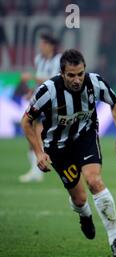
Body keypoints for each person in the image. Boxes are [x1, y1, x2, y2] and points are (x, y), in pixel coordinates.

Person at [20, 49, 116, 257]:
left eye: (80, 74)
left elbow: (115, 104)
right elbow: (26, 121)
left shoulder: (95, 82)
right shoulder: (48, 91)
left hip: (85, 138)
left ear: (84, 70)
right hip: (58, 148)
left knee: (95, 181)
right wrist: (39, 153)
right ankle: (84, 214)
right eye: (71, 75)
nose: (77, 79)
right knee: (79, 199)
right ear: (62, 73)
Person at [19, 33, 62, 183]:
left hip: (53, 102)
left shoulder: (59, 60)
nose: (40, 47)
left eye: (43, 44)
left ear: (51, 46)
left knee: (38, 134)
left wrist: (31, 77)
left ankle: (38, 170)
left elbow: (55, 80)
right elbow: (40, 83)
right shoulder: (39, 59)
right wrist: (31, 92)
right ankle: (35, 170)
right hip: (39, 101)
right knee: (31, 132)